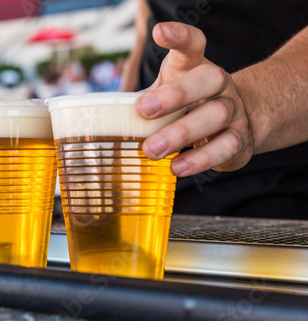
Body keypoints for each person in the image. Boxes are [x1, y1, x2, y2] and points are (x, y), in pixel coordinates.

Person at [121, 1, 308, 218]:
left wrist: (248, 108)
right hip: (148, 183)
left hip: (277, 184)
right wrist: (124, 103)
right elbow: (146, 16)